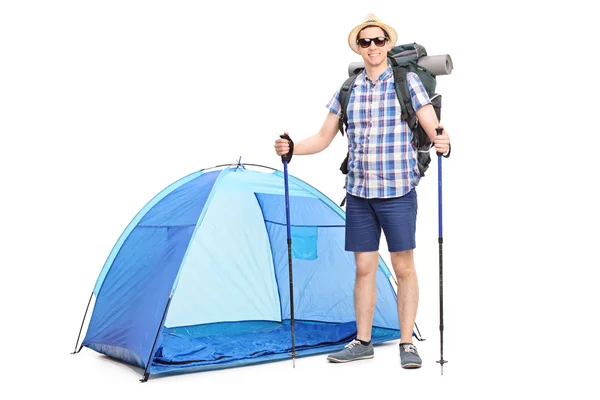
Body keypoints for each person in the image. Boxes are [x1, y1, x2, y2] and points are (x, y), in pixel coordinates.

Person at [273, 13, 451, 369]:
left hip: (398, 190)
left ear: (387, 44)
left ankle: (407, 344)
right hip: (358, 193)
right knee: (364, 267)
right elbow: (323, 137)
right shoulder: (347, 88)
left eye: (379, 41)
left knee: (403, 268)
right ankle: (363, 341)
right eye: (366, 42)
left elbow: (431, 122)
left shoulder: (409, 81)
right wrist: (292, 148)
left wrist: (442, 140)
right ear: (359, 46)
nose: (373, 47)